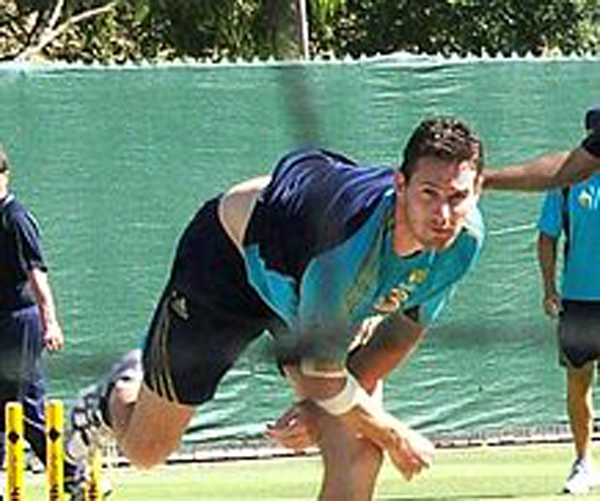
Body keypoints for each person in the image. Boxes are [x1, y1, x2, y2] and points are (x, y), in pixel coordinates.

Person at [67, 116, 486, 500]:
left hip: (305, 289)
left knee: (358, 449)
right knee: (147, 451)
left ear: (477, 191)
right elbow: (324, 378)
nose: (443, 214)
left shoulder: (464, 241)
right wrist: (394, 435)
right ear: (400, 184)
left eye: (457, 196)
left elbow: (401, 334)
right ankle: (114, 396)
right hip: (230, 260)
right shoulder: (347, 256)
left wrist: (323, 410)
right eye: (429, 194)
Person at [0, 144, 84, 500]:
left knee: (16, 406)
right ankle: (73, 477)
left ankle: (73, 477)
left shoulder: (15, 218)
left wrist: (51, 322)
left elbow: (37, 274)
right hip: (3, 322)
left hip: (19, 322)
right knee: (27, 406)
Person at [536, 109, 600, 495]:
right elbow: (548, 236)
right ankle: (583, 463)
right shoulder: (566, 183)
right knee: (578, 382)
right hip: (579, 301)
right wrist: (549, 288)